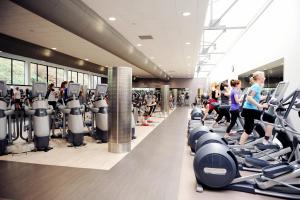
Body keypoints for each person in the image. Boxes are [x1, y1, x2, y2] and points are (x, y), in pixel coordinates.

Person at [239, 71, 275, 145]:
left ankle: (240, 146)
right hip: (249, 110)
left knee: (248, 130)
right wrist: (260, 105)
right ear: (259, 78)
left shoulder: (255, 86)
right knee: (271, 118)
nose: (265, 78)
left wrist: (265, 97)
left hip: (247, 110)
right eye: (263, 77)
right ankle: (266, 140)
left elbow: (254, 97)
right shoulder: (256, 86)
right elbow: (249, 98)